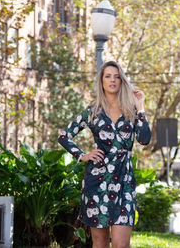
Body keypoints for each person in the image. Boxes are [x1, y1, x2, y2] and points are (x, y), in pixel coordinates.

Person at [58, 61, 151, 248]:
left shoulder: (131, 110)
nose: (112, 80)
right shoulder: (92, 112)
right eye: (108, 76)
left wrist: (140, 108)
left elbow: (144, 139)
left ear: (122, 80)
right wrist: (83, 155)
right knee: (100, 243)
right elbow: (64, 136)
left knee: (120, 244)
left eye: (117, 76)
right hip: (97, 181)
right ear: (101, 81)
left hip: (124, 181)